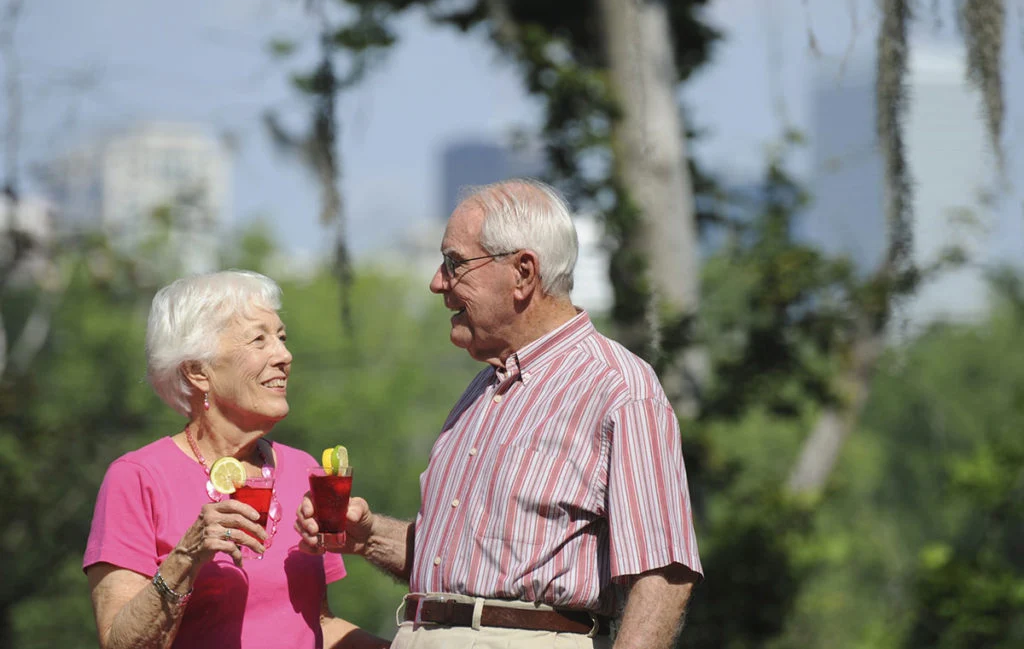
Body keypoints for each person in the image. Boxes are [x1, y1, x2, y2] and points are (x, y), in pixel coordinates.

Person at [296, 180, 703, 648]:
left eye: (454, 263)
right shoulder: (484, 387)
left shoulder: (618, 388)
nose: (437, 282)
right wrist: (367, 537)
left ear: (523, 272)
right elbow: (467, 566)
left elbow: (664, 574)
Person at [84, 270, 388, 649]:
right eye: (259, 340)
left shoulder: (300, 469)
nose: (284, 355)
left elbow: (315, 624)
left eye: (281, 337)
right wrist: (185, 559)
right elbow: (120, 644)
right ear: (197, 371)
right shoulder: (138, 477)